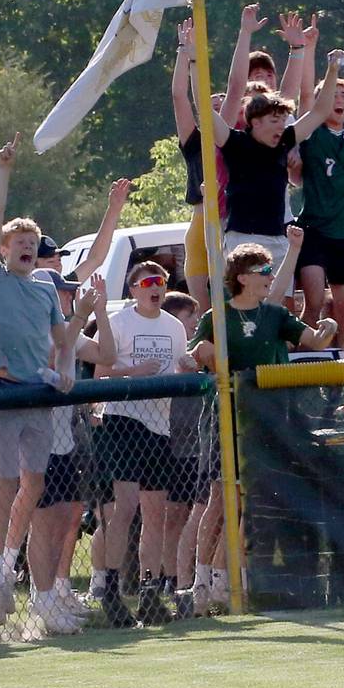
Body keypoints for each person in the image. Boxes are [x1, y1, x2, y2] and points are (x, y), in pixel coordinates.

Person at [187, 244, 337, 614]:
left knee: (252, 501)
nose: (270, 276)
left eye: (271, 269)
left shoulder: (274, 314)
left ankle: (227, 579)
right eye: (263, 270)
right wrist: (203, 351)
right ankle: (200, 579)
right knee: (221, 501)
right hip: (227, 420)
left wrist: (330, 326)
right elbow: (193, 355)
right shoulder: (216, 316)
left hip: (271, 423)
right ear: (242, 277)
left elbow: (315, 340)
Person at [0, 133, 78, 633]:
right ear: (3, 250)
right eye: (19, 244)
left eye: (33, 246)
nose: (27, 250)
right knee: (7, 482)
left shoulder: (44, 290)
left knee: (34, 482)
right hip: (2, 390)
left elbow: (63, 340)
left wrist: (67, 370)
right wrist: (5, 171)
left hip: (38, 394)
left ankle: (7, 559)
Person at [95, 260, 194, 627]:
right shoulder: (119, 322)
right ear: (134, 289)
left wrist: (187, 368)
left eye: (162, 282)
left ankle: (151, 592)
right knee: (124, 507)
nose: (156, 287)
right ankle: (110, 587)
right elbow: (101, 373)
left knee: (156, 512)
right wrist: (134, 372)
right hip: (123, 421)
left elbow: (178, 369)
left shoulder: (173, 327)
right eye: (149, 281)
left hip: (159, 427)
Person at [30, 269, 114, 634]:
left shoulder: (70, 327)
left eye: (67, 293)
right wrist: (80, 316)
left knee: (65, 519)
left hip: (63, 441)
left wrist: (102, 313)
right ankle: (43, 598)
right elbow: (51, 356)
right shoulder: (33, 328)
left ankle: (51, 594)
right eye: (61, 294)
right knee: (43, 522)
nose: (67, 298)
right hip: (34, 440)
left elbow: (107, 355)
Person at [211, 50, 340, 266]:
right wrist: (193, 63)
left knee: (280, 300)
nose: (282, 126)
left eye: (283, 120)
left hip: (278, 237)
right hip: (244, 239)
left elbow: (319, 111)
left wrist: (333, 70)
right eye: (275, 121)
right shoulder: (234, 143)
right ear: (256, 122)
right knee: (251, 297)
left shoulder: (283, 141)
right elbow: (207, 109)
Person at [294, 17, 344, 343]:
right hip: (315, 231)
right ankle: (303, 361)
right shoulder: (312, 132)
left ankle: (342, 373)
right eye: (333, 93)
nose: (339, 99)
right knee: (313, 303)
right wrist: (310, 48)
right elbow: (303, 94)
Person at [170, 18, 224, 314]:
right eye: (211, 103)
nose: (217, 106)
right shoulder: (195, 140)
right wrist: (185, 53)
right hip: (199, 224)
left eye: (223, 104)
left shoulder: (237, 143)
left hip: (231, 224)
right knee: (204, 312)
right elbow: (180, 96)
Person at [160, 291, 203, 596]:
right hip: (173, 447)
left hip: (200, 446)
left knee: (197, 512)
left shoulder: (201, 350)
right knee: (173, 514)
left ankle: (194, 576)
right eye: (190, 317)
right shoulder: (167, 350)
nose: (196, 323)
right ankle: (169, 576)